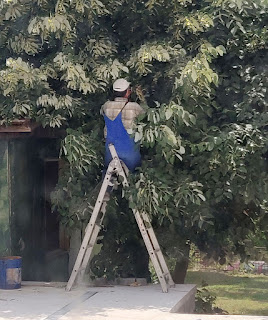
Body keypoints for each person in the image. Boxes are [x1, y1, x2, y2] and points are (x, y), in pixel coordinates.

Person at [101, 78, 144, 172]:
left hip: (111, 153)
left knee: (108, 176)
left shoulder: (106, 106)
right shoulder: (135, 107)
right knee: (134, 175)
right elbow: (145, 116)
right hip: (130, 153)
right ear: (127, 92)